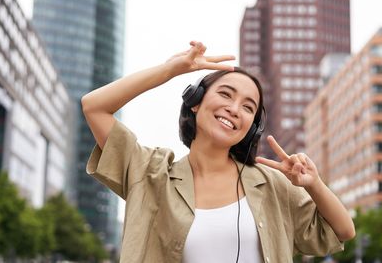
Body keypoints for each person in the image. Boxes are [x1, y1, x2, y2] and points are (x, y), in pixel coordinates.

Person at [81, 41, 355, 263]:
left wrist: (314, 184)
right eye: (225, 94)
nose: (235, 109)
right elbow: (94, 106)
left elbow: (342, 231)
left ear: (252, 128)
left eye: (248, 107)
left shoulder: (270, 183)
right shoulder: (151, 172)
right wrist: (171, 70)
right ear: (195, 102)